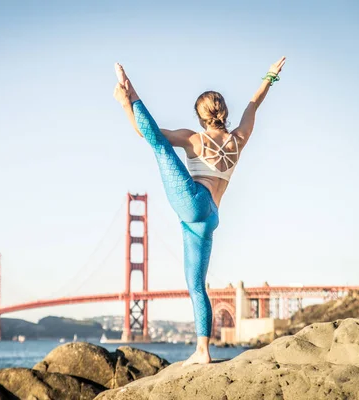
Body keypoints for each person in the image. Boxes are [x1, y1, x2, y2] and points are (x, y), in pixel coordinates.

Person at [113, 57, 286, 366]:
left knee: (161, 148)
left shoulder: (193, 138)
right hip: (209, 219)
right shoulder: (239, 139)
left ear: (199, 115)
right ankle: (203, 351)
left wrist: (128, 101)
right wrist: (270, 77)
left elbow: (148, 134)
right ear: (224, 112)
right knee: (196, 285)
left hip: (194, 200)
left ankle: (132, 94)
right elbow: (253, 105)